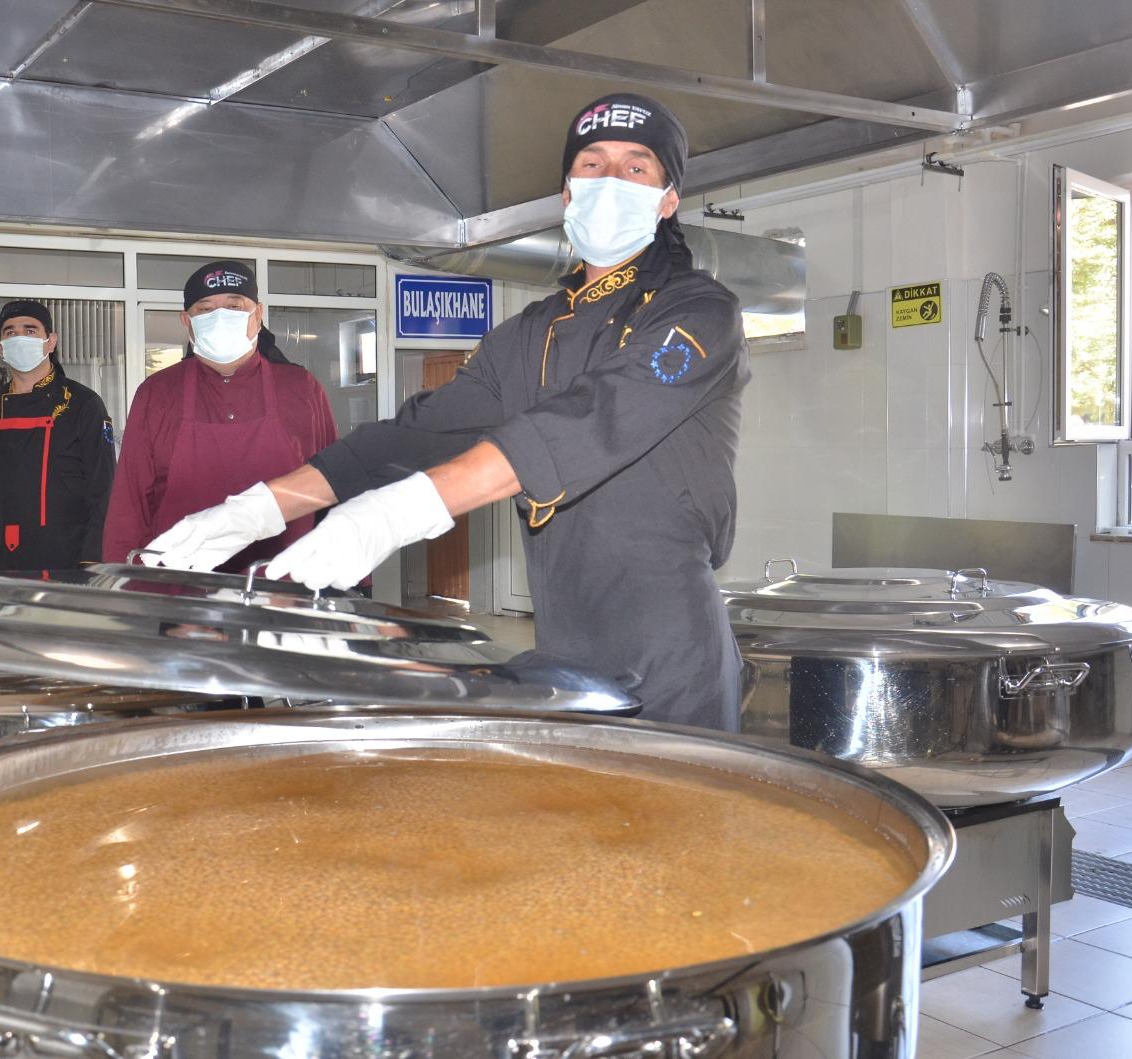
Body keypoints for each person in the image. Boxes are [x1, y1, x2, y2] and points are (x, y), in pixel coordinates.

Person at [147, 92, 750, 731]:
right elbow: (411, 437)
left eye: (636, 168)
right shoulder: (529, 334)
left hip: (671, 649)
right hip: (566, 640)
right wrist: (259, 509)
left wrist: (393, 514)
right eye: (592, 165)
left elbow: (588, 420)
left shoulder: (700, 313)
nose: (610, 181)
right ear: (568, 193)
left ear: (667, 199)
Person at [102, 261, 337, 569]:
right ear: (186, 321)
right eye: (205, 309)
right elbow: (129, 500)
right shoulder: (157, 393)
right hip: (181, 588)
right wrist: (120, 579)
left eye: (234, 306)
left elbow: (333, 482)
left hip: (283, 588)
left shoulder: (300, 387)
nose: (220, 317)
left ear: (259, 314)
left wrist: (353, 581)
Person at [0, 299, 115, 573]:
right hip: (3, 565)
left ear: (50, 341)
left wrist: (92, 565)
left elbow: (104, 491)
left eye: (30, 331)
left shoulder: (83, 404)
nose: (19, 338)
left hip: (70, 565)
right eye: (10, 332)